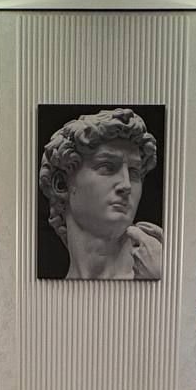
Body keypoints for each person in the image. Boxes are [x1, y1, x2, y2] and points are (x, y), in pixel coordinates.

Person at [39, 107, 162, 280]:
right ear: (62, 185)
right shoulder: (46, 291)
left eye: (134, 172)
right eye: (107, 167)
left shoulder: (158, 271)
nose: (126, 185)